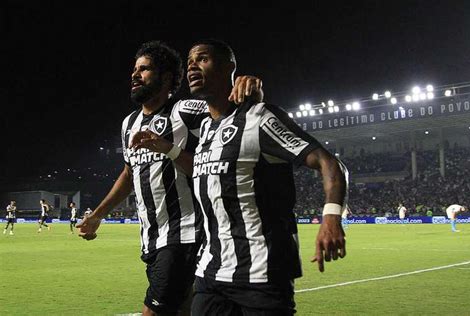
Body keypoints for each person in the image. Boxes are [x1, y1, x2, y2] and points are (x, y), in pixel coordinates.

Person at [132, 39, 348, 315]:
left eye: (203, 59)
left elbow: (329, 163)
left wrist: (331, 218)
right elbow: (203, 173)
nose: (192, 67)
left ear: (229, 68)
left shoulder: (260, 118)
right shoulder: (207, 128)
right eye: (189, 62)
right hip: (211, 273)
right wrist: (167, 148)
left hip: (262, 276)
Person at [77, 40, 263, 316]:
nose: (135, 75)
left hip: (185, 234)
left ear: (165, 78)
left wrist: (242, 86)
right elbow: (129, 174)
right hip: (151, 239)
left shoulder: (185, 110)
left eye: (144, 69)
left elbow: (229, 112)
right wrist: (98, 215)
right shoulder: (129, 124)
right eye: (134, 69)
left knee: (153, 312)